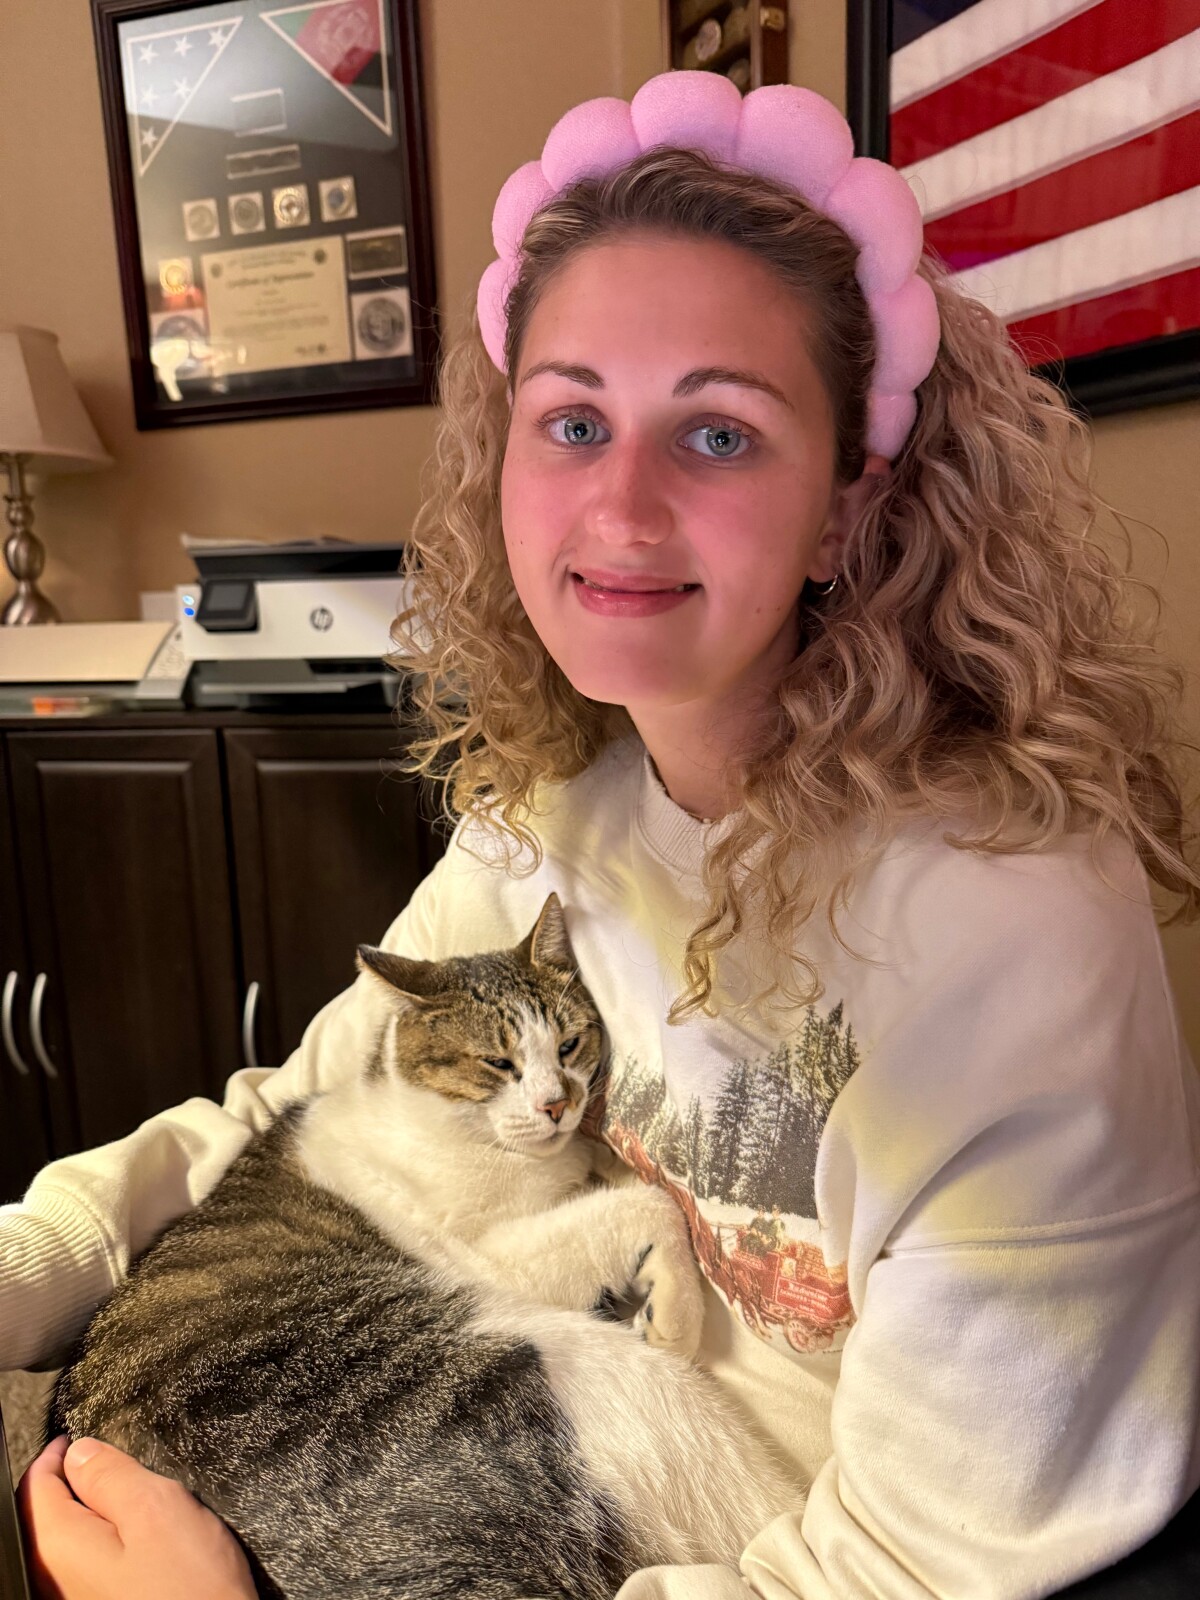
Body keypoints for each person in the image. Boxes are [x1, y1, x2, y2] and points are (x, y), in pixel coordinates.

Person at [10, 69, 1200, 1600]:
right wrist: (28, 1265)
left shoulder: (1006, 924)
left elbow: (908, 1565)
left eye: (719, 435)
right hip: (439, 1432)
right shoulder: (553, 806)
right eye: (573, 421)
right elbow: (306, 1113)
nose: (622, 509)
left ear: (848, 508)